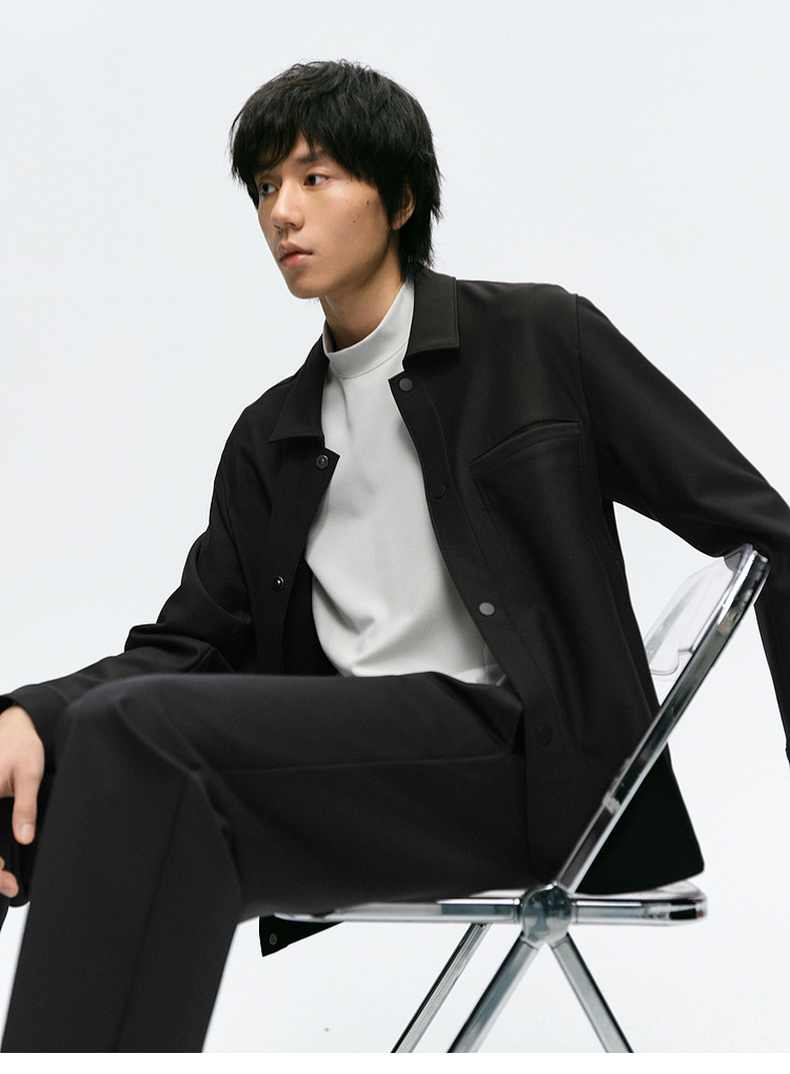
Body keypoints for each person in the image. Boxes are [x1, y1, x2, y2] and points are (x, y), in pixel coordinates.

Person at [1, 59, 789, 1052]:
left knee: (137, 736)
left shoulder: (538, 340)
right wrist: (32, 714)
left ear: (401, 198)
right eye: (265, 188)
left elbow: (763, 528)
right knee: (56, 773)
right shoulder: (273, 437)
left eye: (315, 178)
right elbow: (187, 648)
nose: (282, 212)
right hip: (351, 777)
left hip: (530, 771)